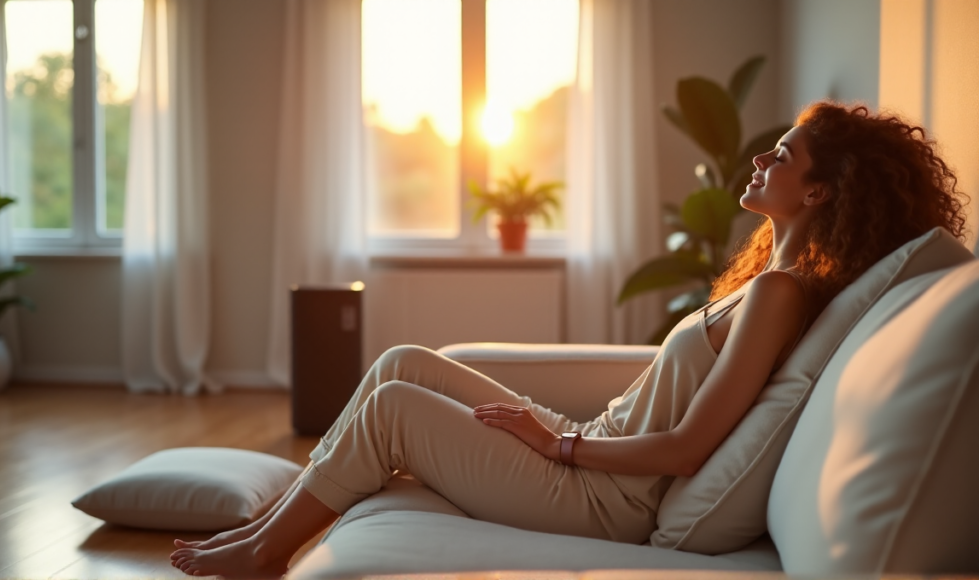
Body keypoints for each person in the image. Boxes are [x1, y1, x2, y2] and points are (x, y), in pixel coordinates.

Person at [170, 101, 969, 578]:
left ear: (821, 190)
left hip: (603, 498)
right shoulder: (771, 282)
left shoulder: (780, 296)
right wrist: (562, 435)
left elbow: (689, 449)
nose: (762, 155)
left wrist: (558, 448)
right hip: (592, 450)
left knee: (395, 410)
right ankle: (269, 528)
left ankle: (266, 552)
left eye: (784, 154)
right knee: (403, 362)